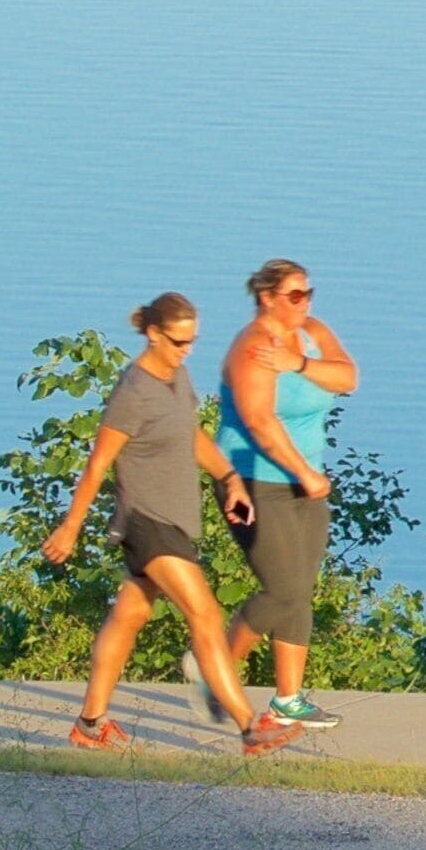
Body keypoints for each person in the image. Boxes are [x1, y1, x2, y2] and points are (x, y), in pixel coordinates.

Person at [43, 293, 296, 755]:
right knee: (204, 612)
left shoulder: (176, 375)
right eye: (179, 341)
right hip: (145, 521)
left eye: (193, 341)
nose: (187, 350)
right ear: (153, 334)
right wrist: (71, 526)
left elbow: (189, 432)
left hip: (176, 521)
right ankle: (249, 726)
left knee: (130, 614)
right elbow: (98, 464)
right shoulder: (132, 393)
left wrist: (228, 476)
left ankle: (90, 725)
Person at [221, 257, 358, 730]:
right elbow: (260, 422)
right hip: (259, 481)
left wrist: (298, 363)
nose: (306, 303)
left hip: (307, 482)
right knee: (281, 589)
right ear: (267, 297)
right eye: (295, 295)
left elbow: (347, 377)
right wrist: (304, 473)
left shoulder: (311, 333)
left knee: (300, 590)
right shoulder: (252, 347)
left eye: (308, 293)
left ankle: (288, 698)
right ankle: (213, 672)